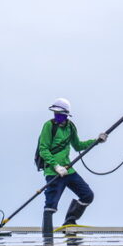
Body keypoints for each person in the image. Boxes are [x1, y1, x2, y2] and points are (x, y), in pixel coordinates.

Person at [38, 98, 107, 235]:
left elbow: (78, 145)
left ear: (66, 114)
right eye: (55, 113)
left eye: (60, 114)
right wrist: (56, 166)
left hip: (68, 170)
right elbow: (43, 149)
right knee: (50, 206)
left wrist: (97, 141)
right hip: (53, 172)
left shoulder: (70, 127)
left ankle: (70, 221)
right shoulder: (49, 126)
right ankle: (47, 241)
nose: (57, 116)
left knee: (87, 195)